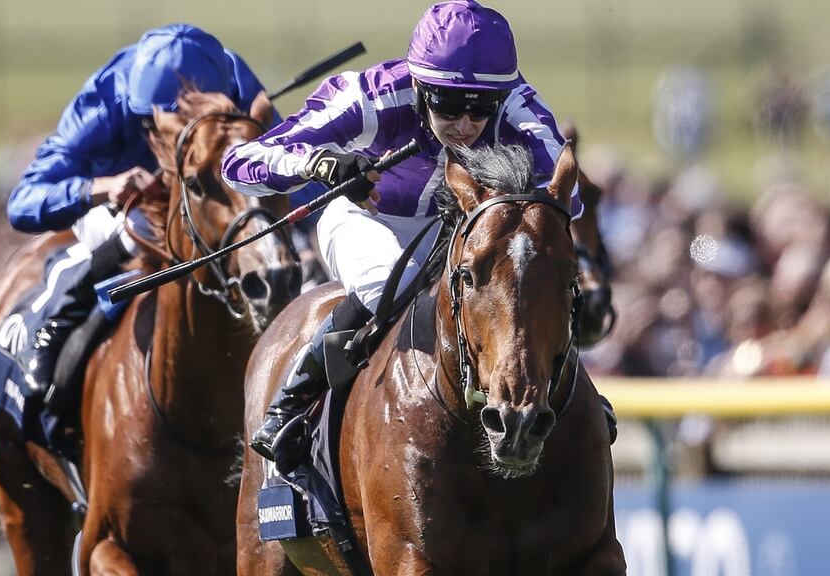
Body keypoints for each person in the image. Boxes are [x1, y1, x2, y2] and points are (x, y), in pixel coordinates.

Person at [222, 0, 607, 464]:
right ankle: (295, 399)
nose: (464, 125)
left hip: (458, 230)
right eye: (447, 104)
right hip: (365, 219)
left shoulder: (516, 104)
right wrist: (318, 164)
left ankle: (572, 391)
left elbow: (569, 199)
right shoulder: (369, 97)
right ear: (420, 85)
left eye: (480, 108)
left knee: (522, 270)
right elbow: (238, 165)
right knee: (395, 281)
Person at [7, 23, 278, 398]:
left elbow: (286, 174)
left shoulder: (235, 85)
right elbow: (23, 202)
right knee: (141, 226)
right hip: (119, 206)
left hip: (208, 203)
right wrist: (100, 187)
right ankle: (62, 319)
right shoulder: (104, 102)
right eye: (154, 125)